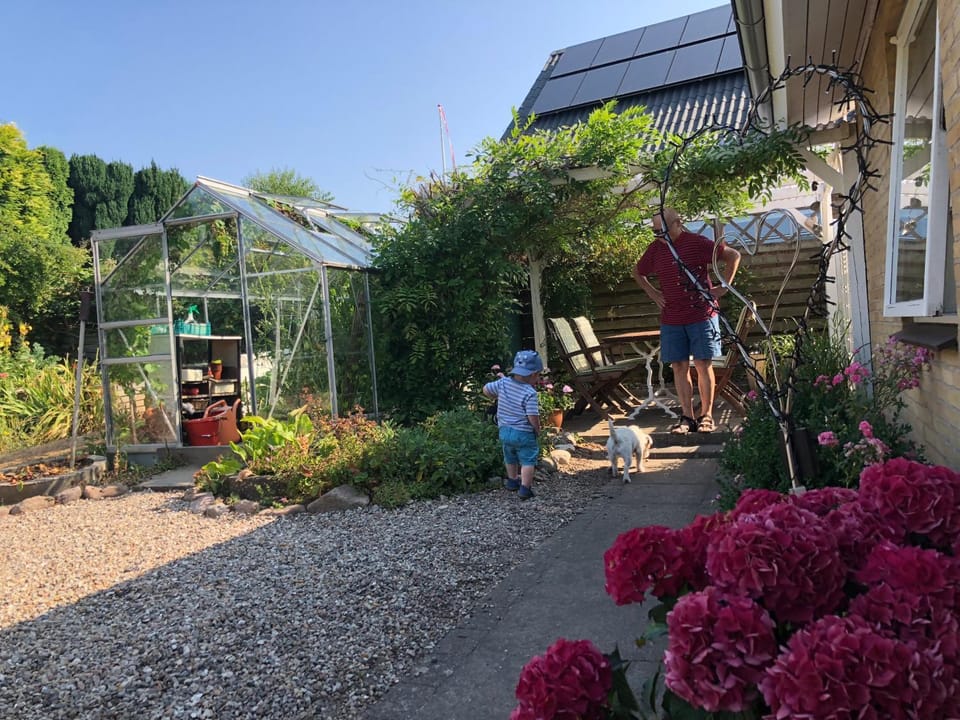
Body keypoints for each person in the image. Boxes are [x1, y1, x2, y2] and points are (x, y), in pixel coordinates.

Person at [633, 207, 741, 434]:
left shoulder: (696, 243)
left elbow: (733, 255)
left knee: (703, 364)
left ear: (677, 224)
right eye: (655, 232)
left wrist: (724, 287)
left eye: (662, 231)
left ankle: (707, 416)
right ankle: (687, 418)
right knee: (679, 366)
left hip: (701, 313)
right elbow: (638, 272)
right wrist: (654, 294)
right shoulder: (655, 250)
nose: (659, 236)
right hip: (672, 317)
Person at [483, 349, 542, 500]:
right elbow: (532, 416)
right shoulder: (530, 393)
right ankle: (525, 488)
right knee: (528, 459)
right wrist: (537, 429)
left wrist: (494, 395)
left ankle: (512, 481)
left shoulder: (503, 383)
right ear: (534, 374)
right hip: (523, 432)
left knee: (510, 456)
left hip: (504, 431)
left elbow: (486, 389)